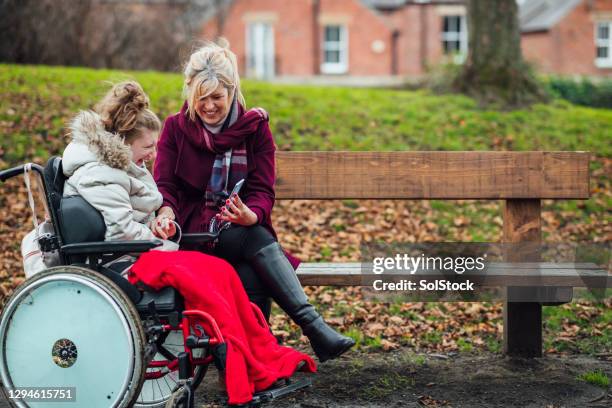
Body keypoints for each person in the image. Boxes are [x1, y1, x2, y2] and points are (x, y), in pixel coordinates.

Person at [153, 40, 355, 362]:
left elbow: (262, 189)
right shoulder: (175, 129)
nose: (208, 106)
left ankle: (247, 358)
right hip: (193, 228)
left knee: (250, 269)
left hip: (236, 225)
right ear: (190, 93)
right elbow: (165, 184)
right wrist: (165, 210)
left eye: (217, 97)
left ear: (232, 92)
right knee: (256, 243)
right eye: (200, 98)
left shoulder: (255, 129)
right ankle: (313, 328)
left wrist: (253, 214)